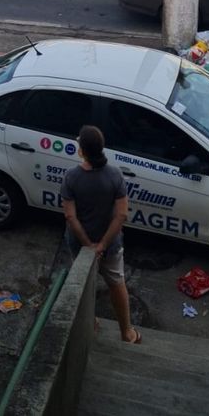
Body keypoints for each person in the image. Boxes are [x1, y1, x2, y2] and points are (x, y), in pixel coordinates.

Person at [61, 125, 141, 344]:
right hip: (111, 245)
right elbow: (121, 215)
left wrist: (89, 246)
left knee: (84, 286)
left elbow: (71, 217)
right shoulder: (114, 174)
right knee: (117, 282)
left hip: (80, 245)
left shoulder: (71, 177)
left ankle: (91, 322)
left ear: (82, 151)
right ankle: (126, 332)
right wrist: (102, 245)